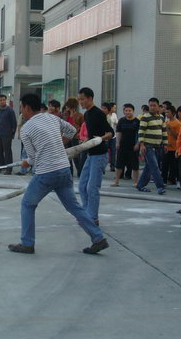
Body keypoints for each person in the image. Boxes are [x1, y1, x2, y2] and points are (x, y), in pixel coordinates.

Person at [7, 93, 108, 255]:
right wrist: (59, 143)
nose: (21, 111)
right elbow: (72, 130)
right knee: (74, 207)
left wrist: (26, 162)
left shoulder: (26, 129)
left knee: (27, 204)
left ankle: (27, 243)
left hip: (46, 173)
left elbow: (33, 158)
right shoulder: (52, 118)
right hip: (63, 169)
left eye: (21, 107)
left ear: (27, 107)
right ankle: (98, 238)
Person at [77, 87, 114, 225]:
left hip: (99, 155)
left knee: (92, 188)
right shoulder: (87, 114)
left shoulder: (98, 113)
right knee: (82, 186)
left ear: (90, 98)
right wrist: (84, 143)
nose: (80, 102)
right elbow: (90, 134)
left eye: (82, 99)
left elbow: (110, 132)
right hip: (90, 154)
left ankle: (92, 218)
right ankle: (87, 213)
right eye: (79, 99)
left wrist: (100, 138)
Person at [136, 97, 166, 195]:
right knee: (154, 166)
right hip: (148, 146)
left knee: (149, 167)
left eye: (154, 105)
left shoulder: (161, 117)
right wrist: (142, 145)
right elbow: (141, 132)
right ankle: (160, 186)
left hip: (158, 146)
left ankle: (140, 185)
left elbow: (164, 132)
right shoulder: (145, 117)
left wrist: (165, 144)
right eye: (150, 105)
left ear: (158, 107)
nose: (152, 107)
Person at [111, 103, 140, 187]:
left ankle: (136, 182)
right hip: (122, 146)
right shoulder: (121, 120)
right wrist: (117, 143)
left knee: (135, 165)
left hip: (133, 146)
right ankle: (116, 181)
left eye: (129, 110)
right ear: (124, 111)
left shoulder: (137, 121)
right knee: (119, 164)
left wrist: (137, 144)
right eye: (126, 110)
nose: (128, 112)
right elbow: (118, 132)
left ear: (133, 111)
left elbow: (140, 134)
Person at [0, 94, 17, 175]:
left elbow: (14, 123)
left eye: (4, 100)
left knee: (7, 151)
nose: (2, 101)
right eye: (0, 100)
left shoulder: (10, 110)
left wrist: (12, 134)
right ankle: (0, 167)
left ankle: (9, 169)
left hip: (7, 134)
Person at [63, 97, 85, 176]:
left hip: (75, 138)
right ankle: (70, 173)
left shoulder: (80, 115)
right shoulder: (66, 115)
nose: (66, 107)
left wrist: (79, 134)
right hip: (67, 137)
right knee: (67, 156)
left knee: (76, 156)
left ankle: (80, 172)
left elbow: (82, 126)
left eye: (67, 106)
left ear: (71, 106)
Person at [162, 105, 181, 185]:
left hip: (174, 148)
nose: (166, 114)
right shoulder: (166, 122)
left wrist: (170, 130)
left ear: (173, 113)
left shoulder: (178, 123)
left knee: (173, 165)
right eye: (165, 112)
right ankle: (163, 180)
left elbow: (178, 136)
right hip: (166, 147)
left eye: (168, 112)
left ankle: (172, 179)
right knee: (164, 164)